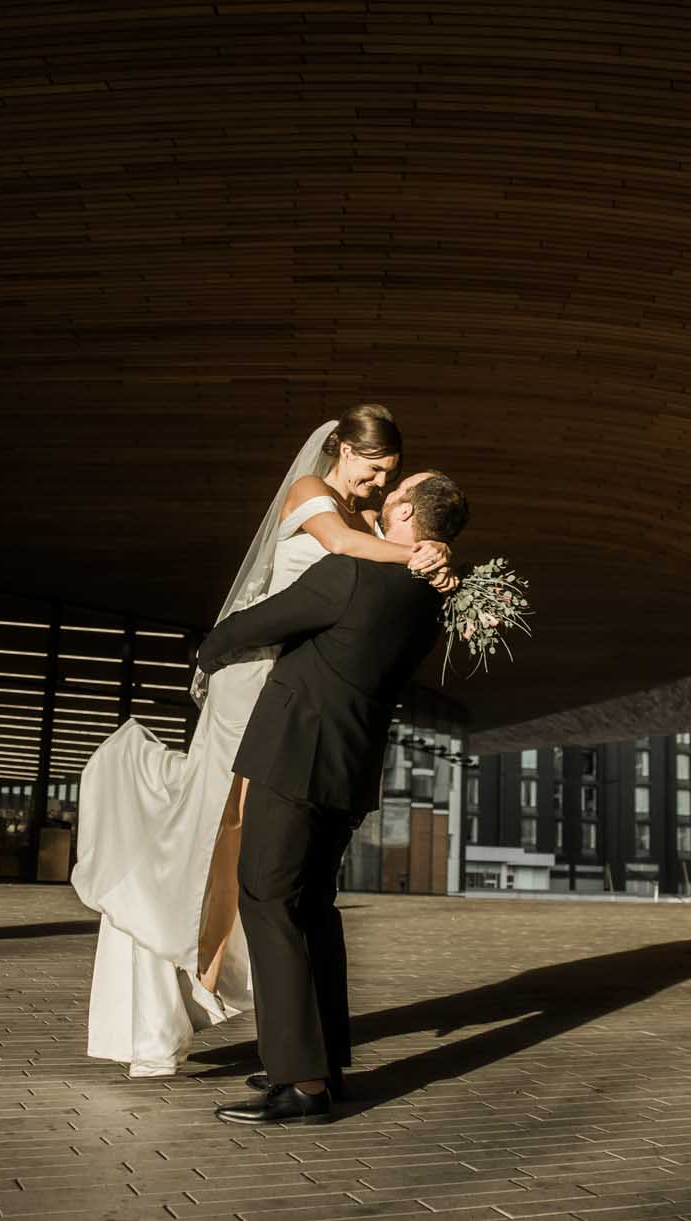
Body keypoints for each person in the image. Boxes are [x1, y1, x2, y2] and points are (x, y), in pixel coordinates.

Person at [70, 406, 456, 1077]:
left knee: (261, 869)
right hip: (257, 684)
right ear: (339, 450)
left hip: (296, 694)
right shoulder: (318, 498)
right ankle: (180, 1015)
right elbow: (341, 550)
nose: (373, 483)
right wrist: (422, 555)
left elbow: (365, 580)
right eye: (372, 469)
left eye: (388, 476)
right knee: (214, 848)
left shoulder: (373, 528)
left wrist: (425, 553)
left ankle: (262, 1036)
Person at [201, 471, 470, 1125]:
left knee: (267, 900)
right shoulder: (428, 601)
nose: (386, 493)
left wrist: (208, 652)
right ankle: (323, 1064)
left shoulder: (351, 572)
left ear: (406, 509)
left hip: (294, 758)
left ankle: (304, 1082)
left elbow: (257, 624)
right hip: (348, 773)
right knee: (313, 907)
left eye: (397, 487)